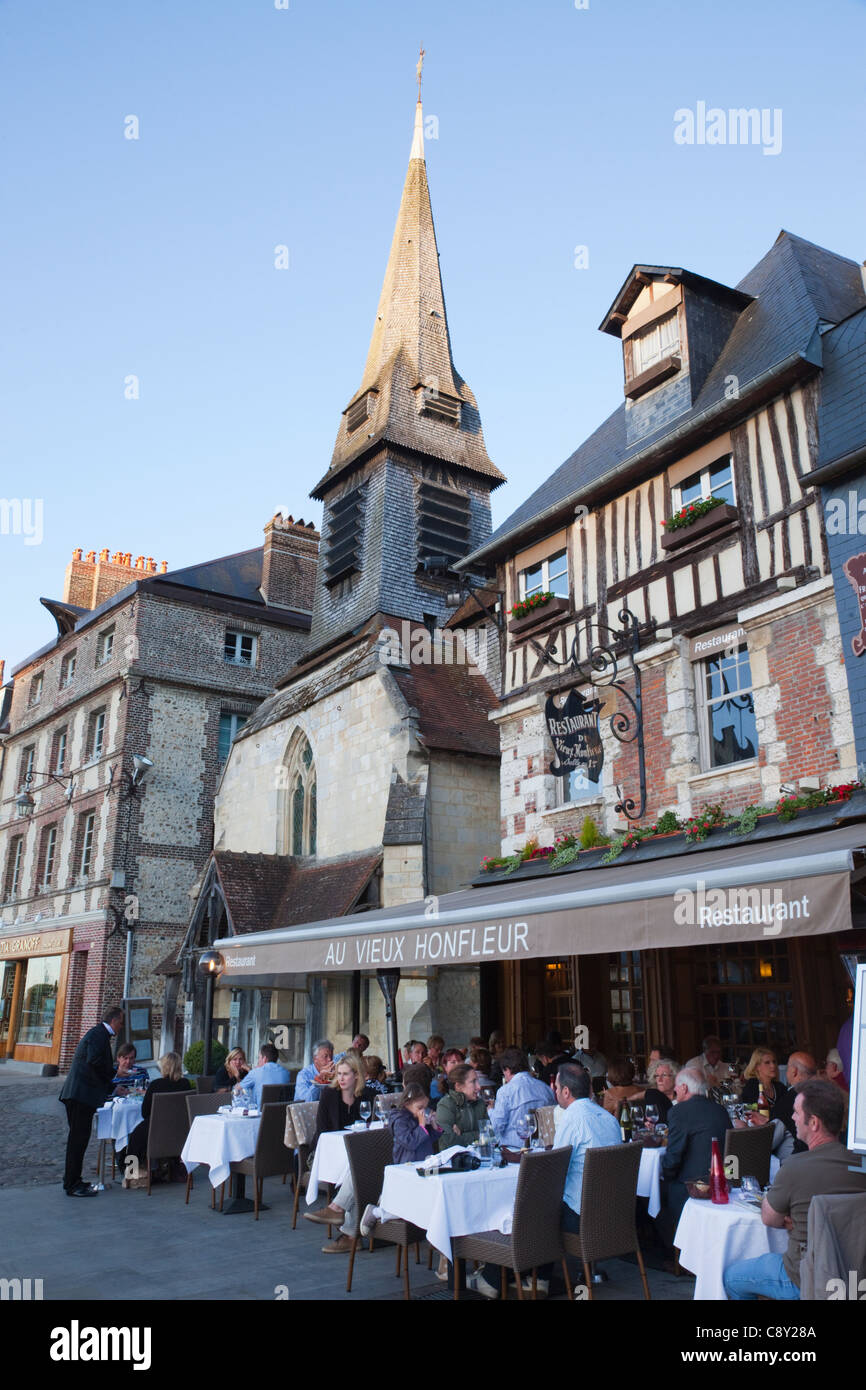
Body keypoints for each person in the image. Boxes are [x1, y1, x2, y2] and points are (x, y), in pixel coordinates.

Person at [724, 1080, 866, 1299]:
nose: (792, 1118)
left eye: (797, 1113)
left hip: (806, 1278)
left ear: (814, 1123)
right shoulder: (862, 1164)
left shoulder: (794, 1167)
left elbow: (769, 1219)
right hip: (858, 1275)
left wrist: (794, 1218)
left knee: (731, 1277)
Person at [659, 1067, 732, 1240]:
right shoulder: (719, 1109)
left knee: (655, 1198)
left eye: (677, 1087)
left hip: (694, 1188)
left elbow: (673, 1157)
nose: (675, 1091)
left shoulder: (679, 1111)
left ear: (684, 1088)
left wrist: (662, 1175)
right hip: (724, 1183)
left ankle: (676, 1255)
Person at [59, 1005, 124, 1197]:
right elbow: (95, 1062)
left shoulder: (99, 1034)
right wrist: (115, 1073)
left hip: (81, 1094)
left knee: (79, 1140)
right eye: (121, 1021)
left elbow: (96, 1066)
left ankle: (72, 1180)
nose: (121, 1025)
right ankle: (72, 1184)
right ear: (114, 1021)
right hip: (80, 1095)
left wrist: (112, 1085)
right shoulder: (98, 1035)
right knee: (77, 1140)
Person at [124, 1052, 191, 1178]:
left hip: (157, 1128)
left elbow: (145, 1112)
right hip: (179, 1130)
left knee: (134, 1138)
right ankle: (169, 1166)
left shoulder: (156, 1085)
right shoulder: (185, 1084)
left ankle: (131, 1172)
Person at [487, 1047, 554, 1152]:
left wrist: (490, 1110)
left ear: (507, 1070)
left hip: (513, 1151)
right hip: (542, 1149)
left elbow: (496, 1127)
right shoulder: (545, 1088)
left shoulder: (505, 1091)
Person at [737, 1048, 793, 1159]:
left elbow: (787, 1111)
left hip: (780, 1135)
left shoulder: (780, 1087)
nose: (772, 1066)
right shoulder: (752, 1086)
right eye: (767, 1063)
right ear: (757, 1066)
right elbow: (747, 1109)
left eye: (774, 1062)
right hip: (761, 1134)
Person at [312, 1055, 377, 1146]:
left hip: (360, 1146)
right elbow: (321, 1127)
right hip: (330, 1145)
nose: (341, 1078)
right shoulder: (328, 1094)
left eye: (345, 1074)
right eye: (339, 1073)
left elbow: (373, 1126)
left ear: (357, 1075)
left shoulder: (367, 1094)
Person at [435, 1064, 487, 1150]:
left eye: (478, 1081)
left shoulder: (480, 1104)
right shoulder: (445, 1105)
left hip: (480, 1158)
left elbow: (491, 1135)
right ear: (458, 1086)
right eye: (473, 1082)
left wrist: (461, 1136)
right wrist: (479, 1135)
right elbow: (447, 1142)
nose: (479, 1087)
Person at [234, 1043, 290, 1108]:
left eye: (259, 1058)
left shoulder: (256, 1072)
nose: (258, 1061)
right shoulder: (286, 1072)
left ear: (264, 1059)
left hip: (259, 1114)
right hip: (281, 1113)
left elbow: (238, 1088)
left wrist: (236, 1075)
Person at [642, 1057, 678, 1123]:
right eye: (657, 1076)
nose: (659, 1080)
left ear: (675, 1077)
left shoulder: (683, 1098)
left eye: (664, 1075)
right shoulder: (652, 1096)